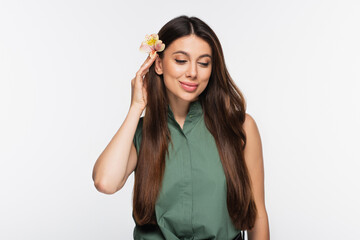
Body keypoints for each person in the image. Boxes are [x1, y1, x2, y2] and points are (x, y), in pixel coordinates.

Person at [92, 15, 270, 240]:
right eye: (180, 60)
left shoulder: (240, 127)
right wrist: (137, 106)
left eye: (204, 63)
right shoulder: (141, 133)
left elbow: (258, 215)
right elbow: (105, 182)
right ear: (158, 64)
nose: (193, 72)